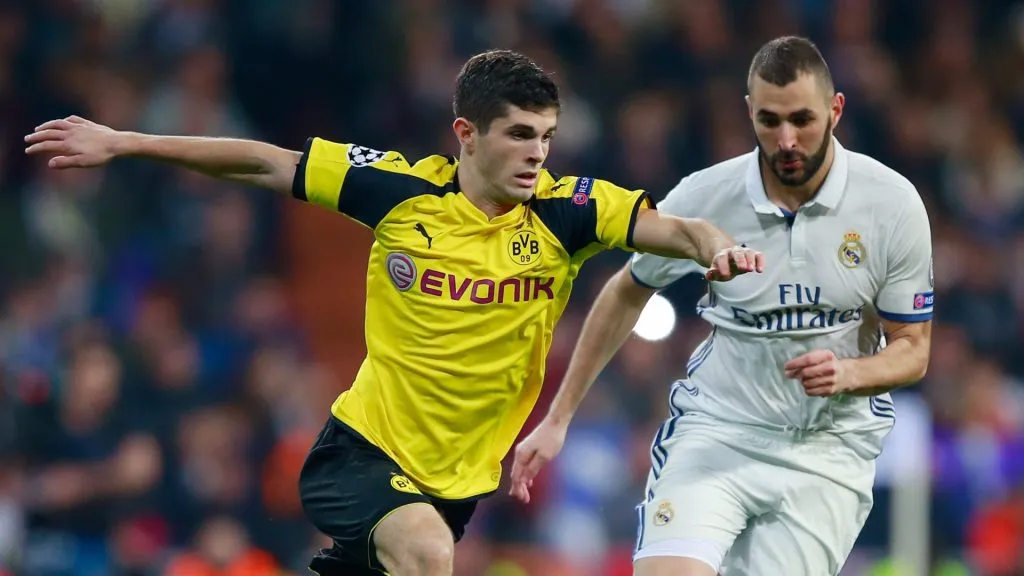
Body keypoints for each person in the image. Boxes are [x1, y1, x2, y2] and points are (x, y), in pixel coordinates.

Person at [25, 50, 763, 576]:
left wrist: (716, 246)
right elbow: (266, 162)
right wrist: (124, 142)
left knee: (423, 548)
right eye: (518, 134)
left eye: (546, 135)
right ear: (466, 135)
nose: (538, 153)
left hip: (458, 483)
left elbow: (674, 229)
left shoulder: (570, 214)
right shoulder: (402, 194)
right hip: (362, 454)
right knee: (427, 555)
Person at [510, 36, 934, 576]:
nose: (785, 140)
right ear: (748, 112)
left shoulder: (890, 205)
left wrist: (849, 371)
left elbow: (912, 350)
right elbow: (626, 289)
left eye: (802, 119)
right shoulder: (707, 195)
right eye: (769, 120)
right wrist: (559, 417)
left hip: (826, 451)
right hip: (718, 432)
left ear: (836, 110)